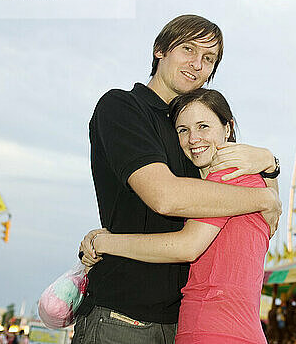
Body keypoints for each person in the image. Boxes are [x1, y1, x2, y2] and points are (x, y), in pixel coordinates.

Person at [73, 15, 281, 344]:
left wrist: (271, 165)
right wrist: (265, 197)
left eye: (208, 59)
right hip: (123, 318)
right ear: (160, 50)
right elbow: (165, 197)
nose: (197, 64)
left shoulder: (193, 134)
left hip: (180, 324)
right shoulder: (123, 108)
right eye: (188, 49)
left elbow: (261, 223)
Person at [83, 88, 269, 343]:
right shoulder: (251, 179)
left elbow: (187, 246)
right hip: (231, 327)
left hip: (211, 328)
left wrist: (103, 242)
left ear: (228, 128)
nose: (194, 138)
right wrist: (271, 166)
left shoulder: (228, 178)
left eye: (203, 126)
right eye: (183, 130)